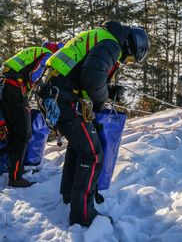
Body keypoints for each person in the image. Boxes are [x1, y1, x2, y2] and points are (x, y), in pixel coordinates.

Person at [43, 21, 149, 227]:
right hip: (63, 98)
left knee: (80, 146)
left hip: (57, 93)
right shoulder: (112, 44)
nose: (125, 61)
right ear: (131, 45)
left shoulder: (102, 36)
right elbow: (92, 78)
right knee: (93, 154)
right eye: (129, 58)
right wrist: (101, 101)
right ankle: (83, 213)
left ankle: (70, 195)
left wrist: (108, 91)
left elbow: (83, 71)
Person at [0, 42, 62, 187]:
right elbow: (36, 79)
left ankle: (10, 170)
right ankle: (15, 178)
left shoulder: (31, 51)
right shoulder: (46, 55)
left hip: (4, 89)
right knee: (23, 136)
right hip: (13, 91)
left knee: (13, 134)